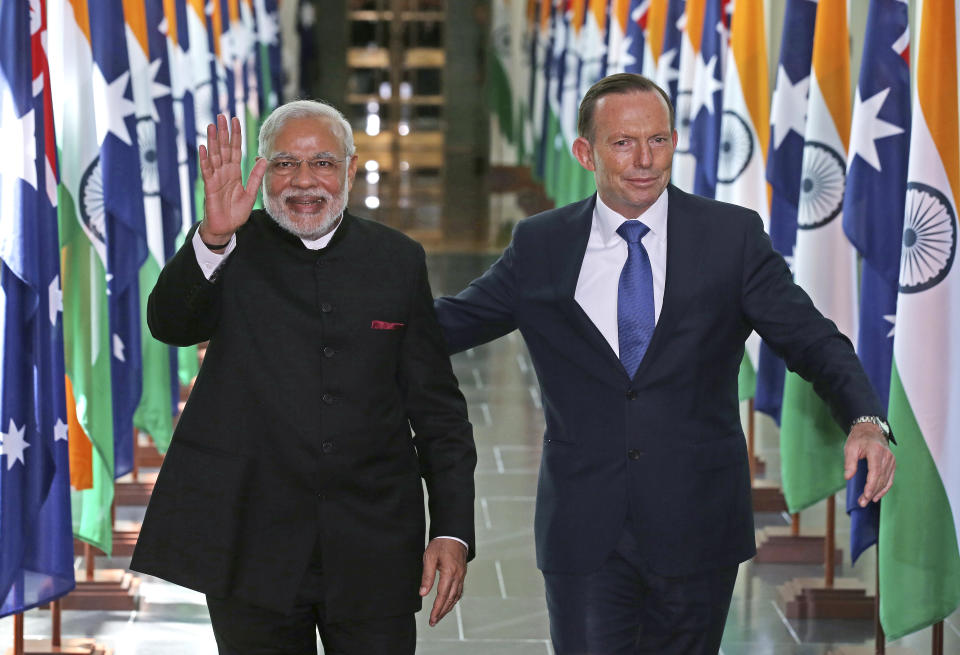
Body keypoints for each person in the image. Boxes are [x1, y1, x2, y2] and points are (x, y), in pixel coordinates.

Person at [434, 73, 896, 655]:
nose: (644, 160)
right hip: (584, 530)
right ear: (585, 152)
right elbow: (448, 324)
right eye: (623, 143)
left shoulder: (731, 236)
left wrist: (865, 418)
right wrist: (343, 310)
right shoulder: (541, 244)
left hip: (698, 525)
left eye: (657, 140)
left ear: (675, 140)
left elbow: (813, 340)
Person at [130, 100, 477, 655]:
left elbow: (438, 410)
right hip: (251, 540)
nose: (305, 181)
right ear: (261, 169)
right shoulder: (230, 246)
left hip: (374, 542)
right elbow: (168, 323)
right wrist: (213, 236)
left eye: (322, 163)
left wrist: (452, 529)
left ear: (351, 168)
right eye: (286, 164)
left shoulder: (399, 259)